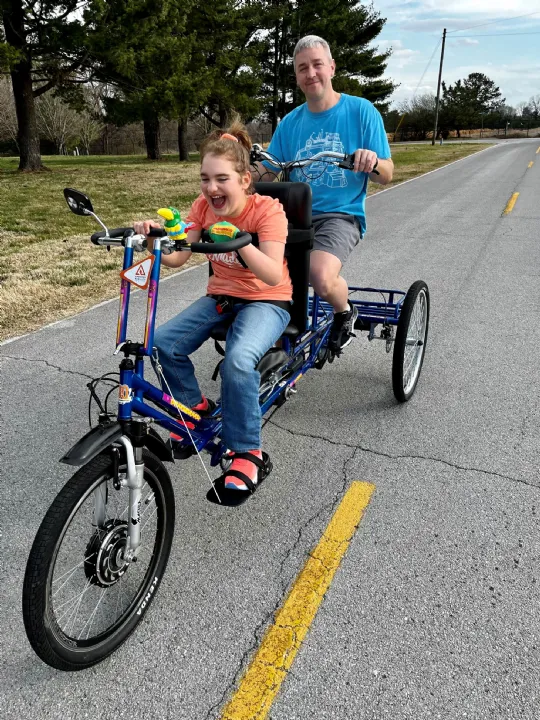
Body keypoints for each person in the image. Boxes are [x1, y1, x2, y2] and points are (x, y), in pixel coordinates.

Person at [134, 121, 292, 492]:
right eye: (205, 179)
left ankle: (247, 451)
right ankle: (195, 410)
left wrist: (241, 242)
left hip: (267, 300)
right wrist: (153, 239)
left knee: (239, 360)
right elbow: (178, 256)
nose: (211, 188)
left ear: (244, 180)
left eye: (221, 179)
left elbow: (271, 274)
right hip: (221, 298)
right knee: (161, 344)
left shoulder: (268, 211)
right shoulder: (203, 208)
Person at [254, 35, 394, 351]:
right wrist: (237, 175)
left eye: (317, 65)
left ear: (331, 67)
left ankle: (345, 311)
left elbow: (387, 174)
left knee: (318, 274)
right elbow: (268, 169)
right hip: (294, 217)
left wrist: (371, 161)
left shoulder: (361, 111)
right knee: (262, 270)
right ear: (297, 77)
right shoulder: (290, 123)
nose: (311, 73)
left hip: (340, 215)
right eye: (303, 68)